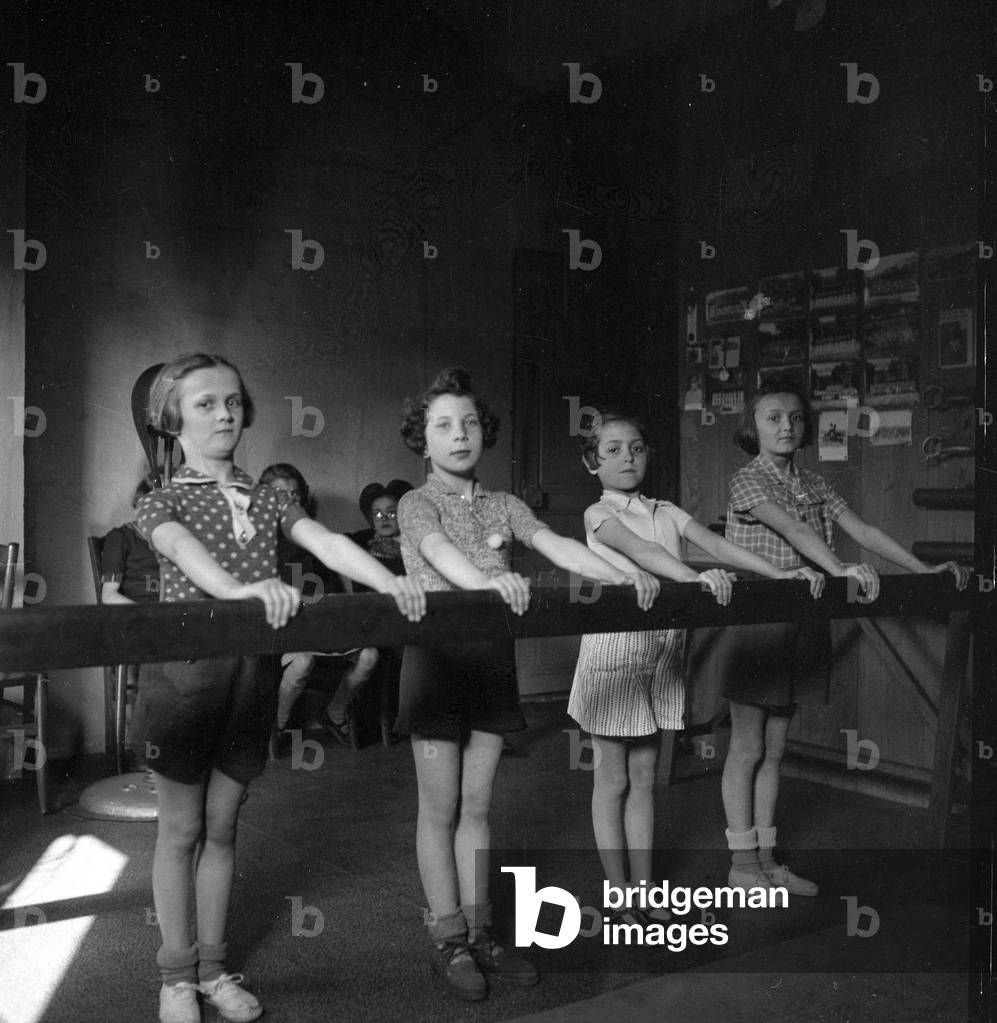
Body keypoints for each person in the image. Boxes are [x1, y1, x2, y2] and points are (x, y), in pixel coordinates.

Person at [134, 353, 424, 1023]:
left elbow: (323, 540)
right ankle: (175, 977)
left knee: (224, 826)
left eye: (233, 400)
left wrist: (390, 581)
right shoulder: (163, 497)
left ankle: (212, 969)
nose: (225, 412)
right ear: (172, 418)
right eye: (205, 402)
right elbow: (181, 549)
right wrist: (241, 592)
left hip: (249, 681)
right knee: (180, 830)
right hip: (184, 680)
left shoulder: (266, 495)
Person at [395, 367, 657, 1002]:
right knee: (441, 807)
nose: (459, 435)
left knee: (479, 806)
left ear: (485, 432)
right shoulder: (415, 501)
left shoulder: (504, 502)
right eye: (442, 426)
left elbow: (558, 545)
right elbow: (437, 553)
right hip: (435, 662)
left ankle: (482, 933)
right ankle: (448, 939)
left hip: (490, 663)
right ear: (421, 439)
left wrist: (619, 575)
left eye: (469, 423)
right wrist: (487, 582)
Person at [569, 408, 823, 924]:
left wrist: (779, 573)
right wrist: (692, 578)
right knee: (612, 779)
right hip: (614, 656)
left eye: (636, 448)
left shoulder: (666, 509)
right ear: (591, 462)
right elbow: (638, 550)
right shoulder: (599, 514)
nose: (627, 458)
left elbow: (719, 544)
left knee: (644, 776)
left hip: (661, 654)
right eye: (612, 450)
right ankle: (619, 896)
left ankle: (643, 894)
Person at [720, 377, 970, 895]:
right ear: (753, 428)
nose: (785, 426)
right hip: (760, 622)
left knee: (775, 748)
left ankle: (766, 863)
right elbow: (794, 532)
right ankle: (741, 866)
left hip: (805, 619)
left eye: (794, 417)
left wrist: (924, 571)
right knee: (746, 747)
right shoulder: (747, 481)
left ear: (806, 426)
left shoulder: (814, 483)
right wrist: (839, 571)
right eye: (772, 418)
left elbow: (865, 532)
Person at [256, 463, 369, 752]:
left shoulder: (314, 542)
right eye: (280, 494)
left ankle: (335, 712)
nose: (289, 501)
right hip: (279, 634)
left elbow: (329, 595)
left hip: (320, 628)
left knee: (369, 656)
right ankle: (277, 724)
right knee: (302, 661)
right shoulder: (258, 545)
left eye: (295, 494)